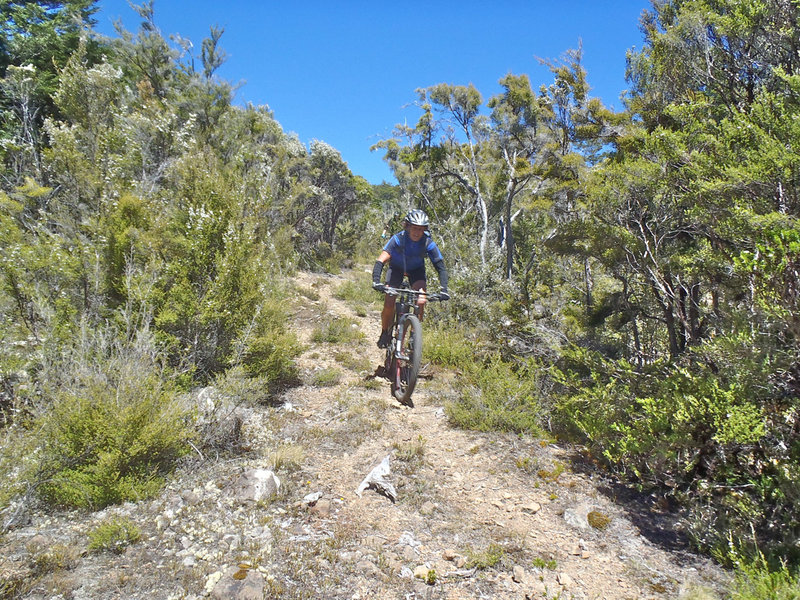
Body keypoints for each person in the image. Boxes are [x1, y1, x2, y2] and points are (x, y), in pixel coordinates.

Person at [372, 209, 450, 348]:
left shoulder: (427, 243)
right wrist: (376, 280)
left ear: (424, 230)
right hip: (396, 269)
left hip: (416, 271)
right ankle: (385, 332)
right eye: (414, 228)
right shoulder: (398, 239)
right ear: (407, 226)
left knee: (421, 299)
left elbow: (440, 266)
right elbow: (381, 260)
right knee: (389, 300)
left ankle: (414, 335)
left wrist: (444, 289)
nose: (417, 232)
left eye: (420, 229)